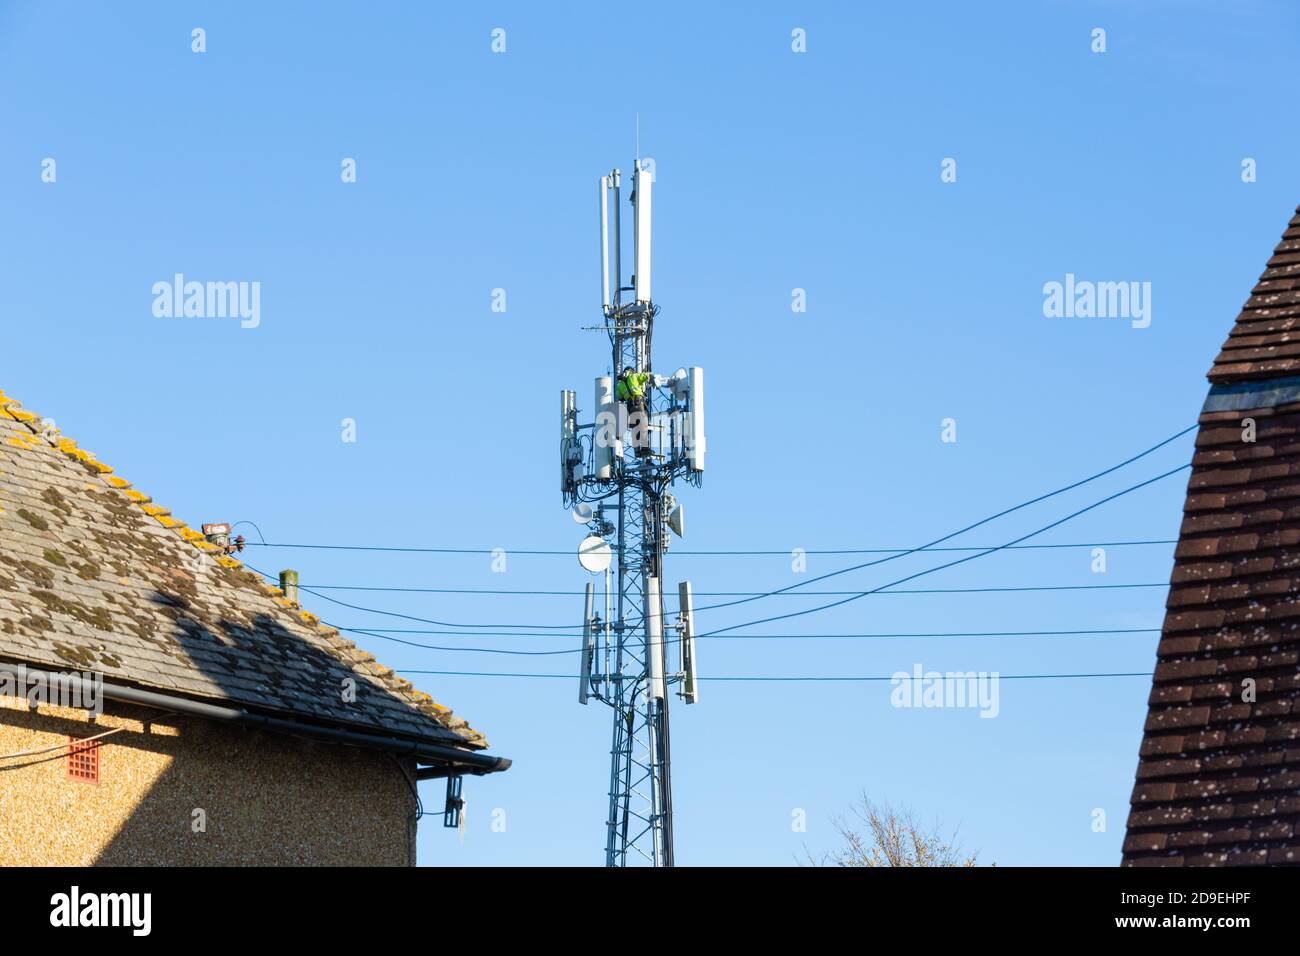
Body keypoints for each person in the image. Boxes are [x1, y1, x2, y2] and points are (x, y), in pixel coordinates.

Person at [616, 366, 652, 455]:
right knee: (643, 426)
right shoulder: (634, 376)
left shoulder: (619, 384)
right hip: (638, 403)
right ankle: (645, 449)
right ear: (631, 371)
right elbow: (646, 376)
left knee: (635, 428)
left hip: (630, 407)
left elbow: (620, 398)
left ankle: (636, 451)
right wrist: (652, 376)